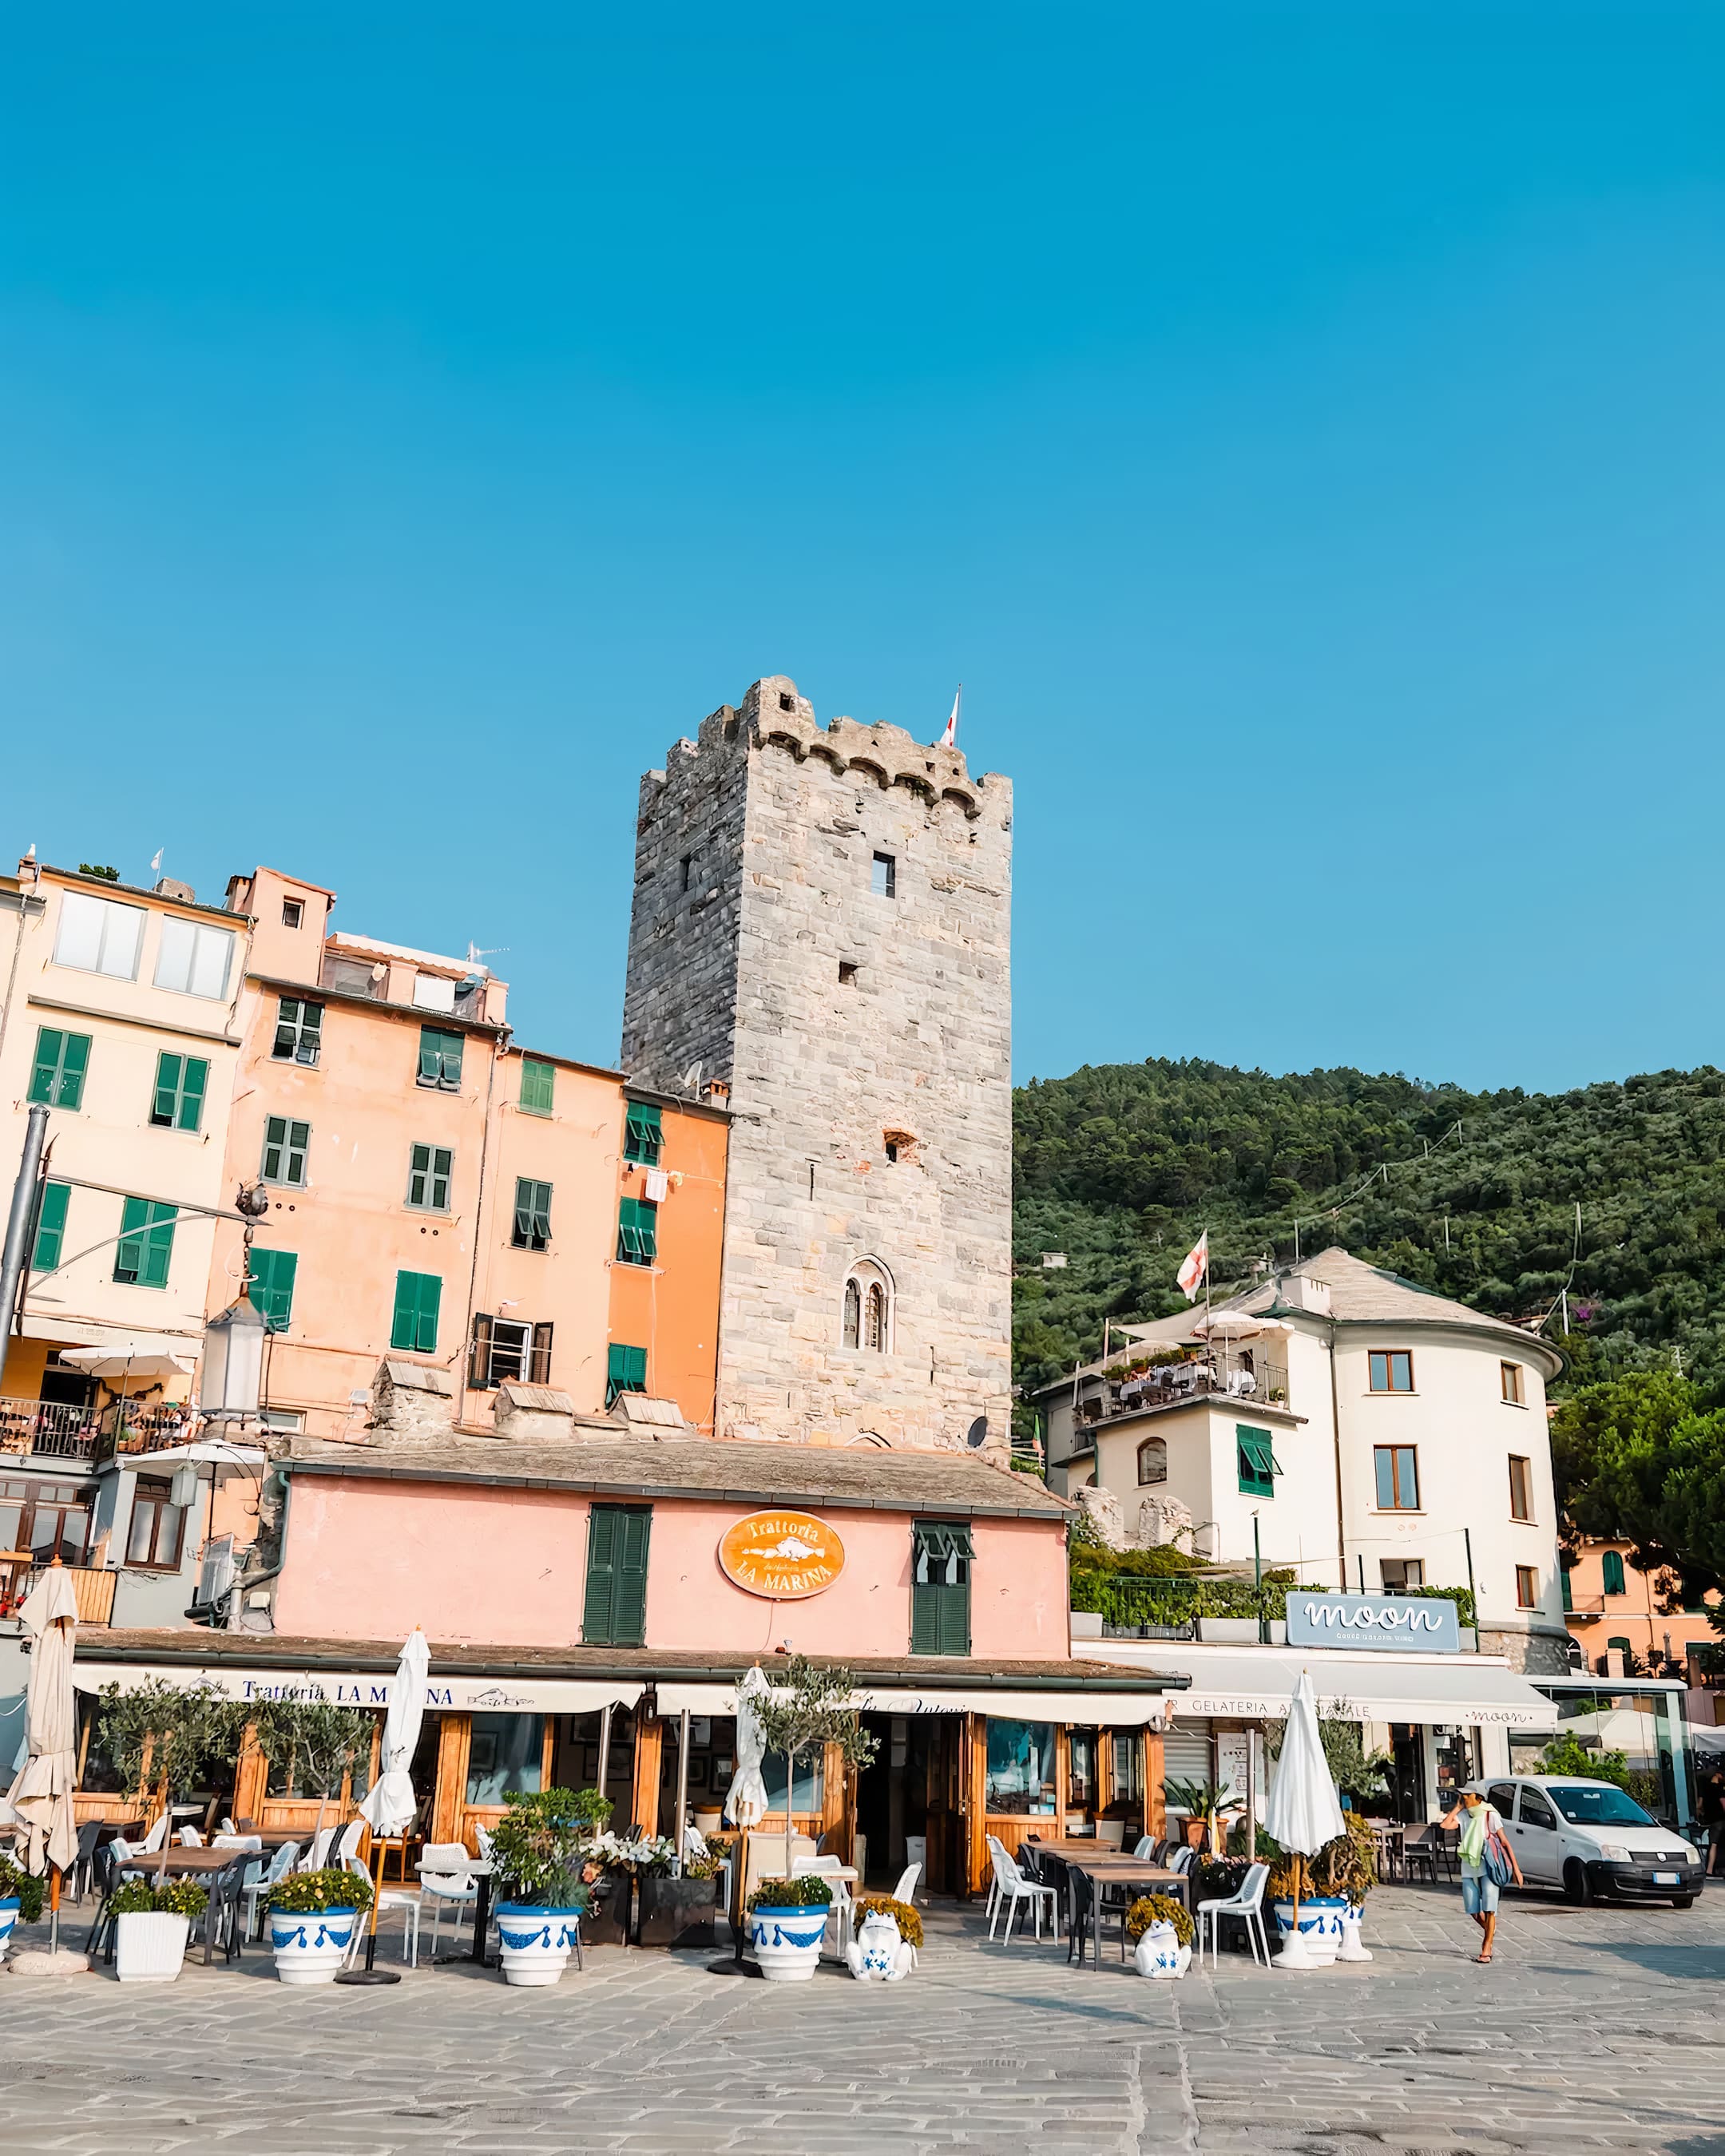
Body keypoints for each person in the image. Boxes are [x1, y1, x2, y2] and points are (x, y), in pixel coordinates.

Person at [1438, 1785, 1521, 1964]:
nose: (1464, 1798)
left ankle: (1487, 1947)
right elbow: (1445, 1825)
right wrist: (1458, 1808)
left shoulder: (1491, 1815)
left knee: (1490, 1909)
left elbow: (1505, 1842)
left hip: (1489, 1866)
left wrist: (1516, 1869)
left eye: (1467, 1795)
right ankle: (1490, 1931)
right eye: (1462, 1795)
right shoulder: (1464, 1815)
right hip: (1469, 1868)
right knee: (1474, 1911)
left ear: (1478, 1797)